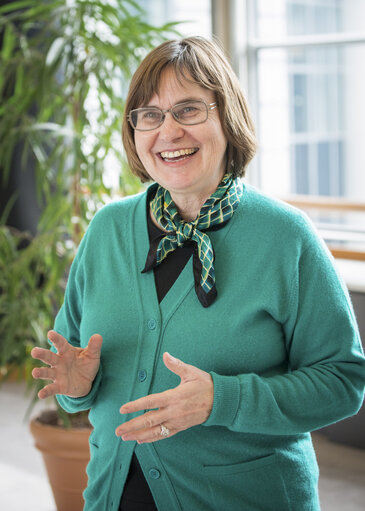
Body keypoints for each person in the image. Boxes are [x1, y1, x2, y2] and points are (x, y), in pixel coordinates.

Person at [31, 36, 365, 511]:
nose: (168, 132)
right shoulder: (107, 229)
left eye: (189, 110)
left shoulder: (286, 237)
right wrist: (78, 388)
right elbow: (73, 383)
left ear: (227, 118)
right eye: (150, 115)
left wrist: (222, 400)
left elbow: (342, 381)